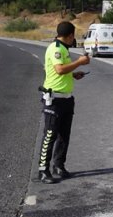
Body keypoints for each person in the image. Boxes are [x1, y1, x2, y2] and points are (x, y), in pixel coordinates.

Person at [37, 21, 90, 183]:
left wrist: (73, 74)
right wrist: (80, 62)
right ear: (70, 36)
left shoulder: (63, 49)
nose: (74, 38)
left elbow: (59, 71)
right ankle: (43, 170)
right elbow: (59, 69)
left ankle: (59, 165)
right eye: (73, 35)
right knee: (50, 135)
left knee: (64, 135)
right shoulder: (55, 49)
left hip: (66, 98)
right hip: (54, 99)